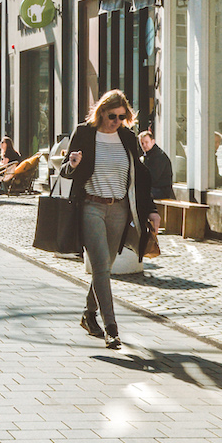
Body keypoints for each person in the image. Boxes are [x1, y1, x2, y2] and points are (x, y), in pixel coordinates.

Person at [62, 89, 159, 350]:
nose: (117, 121)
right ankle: (112, 329)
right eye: (112, 116)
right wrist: (72, 164)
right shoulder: (84, 133)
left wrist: (151, 210)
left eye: (122, 117)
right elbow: (65, 170)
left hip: (120, 209)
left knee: (106, 266)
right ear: (102, 112)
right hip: (91, 206)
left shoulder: (126, 137)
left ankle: (88, 314)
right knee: (101, 267)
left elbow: (140, 177)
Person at [139, 130, 175, 201]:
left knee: (139, 193)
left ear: (153, 142)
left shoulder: (159, 156)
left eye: (146, 142)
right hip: (154, 189)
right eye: (142, 143)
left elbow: (152, 178)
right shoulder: (147, 156)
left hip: (162, 191)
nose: (144, 145)